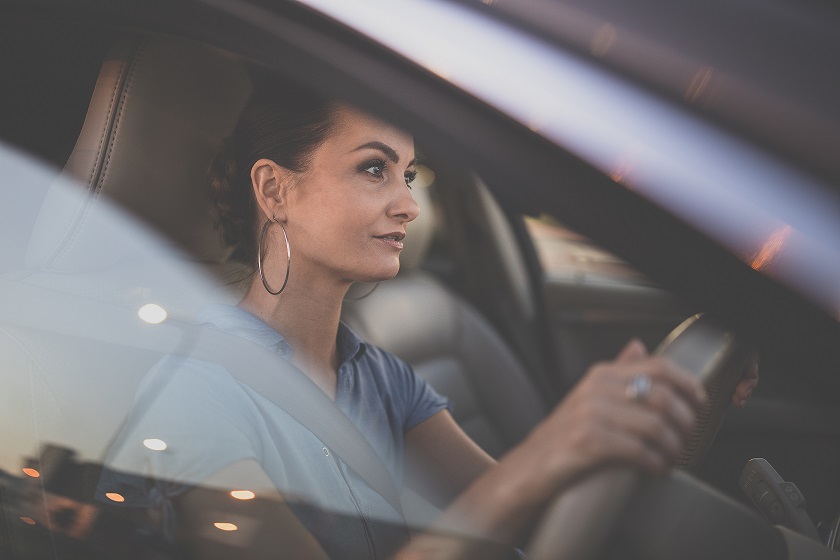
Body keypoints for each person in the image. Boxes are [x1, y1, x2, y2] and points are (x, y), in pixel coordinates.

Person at [98, 76, 759, 559]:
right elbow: (515, 493)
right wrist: (549, 449)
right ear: (275, 190)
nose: (409, 204)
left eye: (409, 175)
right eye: (374, 169)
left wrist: (670, 414)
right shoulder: (194, 398)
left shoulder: (380, 377)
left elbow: (534, 513)